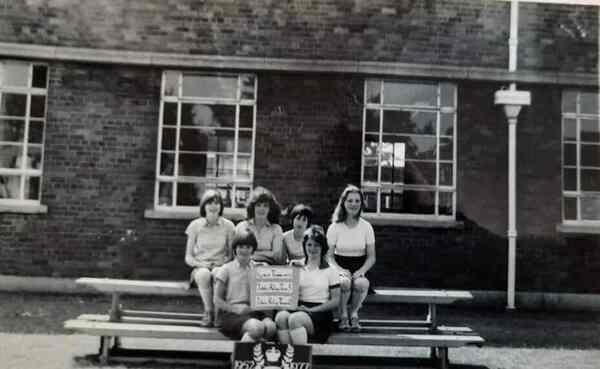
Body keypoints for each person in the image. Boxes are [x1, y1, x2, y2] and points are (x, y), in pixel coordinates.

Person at [275, 225, 341, 344]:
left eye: (316, 245)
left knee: (295, 319)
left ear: (323, 247)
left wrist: (312, 310)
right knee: (281, 317)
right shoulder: (296, 265)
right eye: (309, 245)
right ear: (304, 246)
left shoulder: (331, 270)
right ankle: (288, 358)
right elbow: (286, 292)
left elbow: (335, 301)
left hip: (320, 312)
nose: (312, 248)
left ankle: (300, 359)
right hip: (299, 307)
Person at [326, 185, 376, 332]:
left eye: (357, 201)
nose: (353, 204)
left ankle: (354, 313)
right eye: (350, 201)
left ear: (361, 204)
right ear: (343, 203)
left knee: (361, 284)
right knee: (344, 283)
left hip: (360, 267)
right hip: (339, 266)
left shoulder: (366, 227)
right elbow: (328, 256)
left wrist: (361, 271)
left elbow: (372, 257)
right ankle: (343, 316)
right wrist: (340, 271)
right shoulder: (335, 227)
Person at [214, 227, 277, 341]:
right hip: (232, 315)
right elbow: (217, 300)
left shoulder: (259, 268)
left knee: (271, 327)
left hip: (254, 313)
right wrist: (235, 309)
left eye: (248, 247)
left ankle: (247, 351)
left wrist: (267, 273)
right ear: (235, 249)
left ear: (253, 249)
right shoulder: (226, 269)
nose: (244, 250)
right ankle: (240, 356)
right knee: (256, 328)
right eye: (240, 247)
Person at [184, 189, 235, 327]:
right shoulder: (195, 226)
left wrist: (222, 264)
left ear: (221, 206)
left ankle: (219, 315)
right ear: (203, 206)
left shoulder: (229, 226)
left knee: (219, 274)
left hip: (220, 266)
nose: (213, 206)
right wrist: (202, 265)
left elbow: (231, 255)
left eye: (217, 203)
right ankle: (209, 312)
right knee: (204, 275)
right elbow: (188, 257)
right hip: (201, 268)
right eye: (209, 203)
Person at [235, 186, 284, 265]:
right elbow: (237, 254)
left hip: (267, 268)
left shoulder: (276, 229)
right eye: (258, 205)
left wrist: (250, 255)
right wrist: (267, 253)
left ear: (270, 209)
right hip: (245, 266)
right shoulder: (242, 227)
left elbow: (277, 256)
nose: (262, 209)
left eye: (265, 205)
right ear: (252, 207)